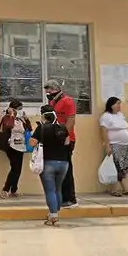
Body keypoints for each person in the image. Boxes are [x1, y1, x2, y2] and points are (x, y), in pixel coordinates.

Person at [30, 105, 70, 226]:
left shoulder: (41, 128)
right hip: (63, 162)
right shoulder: (62, 127)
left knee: (50, 190)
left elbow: (32, 143)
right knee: (57, 188)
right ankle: (55, 212)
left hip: (48, 163)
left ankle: (53, 215)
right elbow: (67, 142)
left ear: (43, 116)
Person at [44, 80, 78, 208]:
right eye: (47, 92)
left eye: (50, 91)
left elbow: (71, 120)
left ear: (57, 89)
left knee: (66, 169)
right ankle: (61, 197)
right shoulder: (52, 102)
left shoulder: (67, 101)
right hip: (55, 138)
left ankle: (70, 199)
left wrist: (66, 136)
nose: (48, 94)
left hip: (65, 138)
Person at [98, 97, 128, 197]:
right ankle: (114, 188)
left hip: (125, 145)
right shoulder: (106, 116)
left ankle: (125, 188)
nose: (119, 106)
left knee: (123, 166)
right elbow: (103, 131)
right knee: (116, 165)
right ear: (111, 105)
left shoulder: (121, 115)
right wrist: (107, 145)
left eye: (120, 103)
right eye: (117, 103)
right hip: (114, 144)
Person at [0, 99, 32, 199]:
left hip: (21, 146)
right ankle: (5, 189)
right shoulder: (7, 118)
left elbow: (29, 129)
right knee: (15, 169)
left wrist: (26, 119)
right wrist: (12, 115)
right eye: (19, 109)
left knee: (17, 169)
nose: (21, 110)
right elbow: (8, 126)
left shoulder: (20, 119)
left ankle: (13, 189)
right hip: (11, 146)